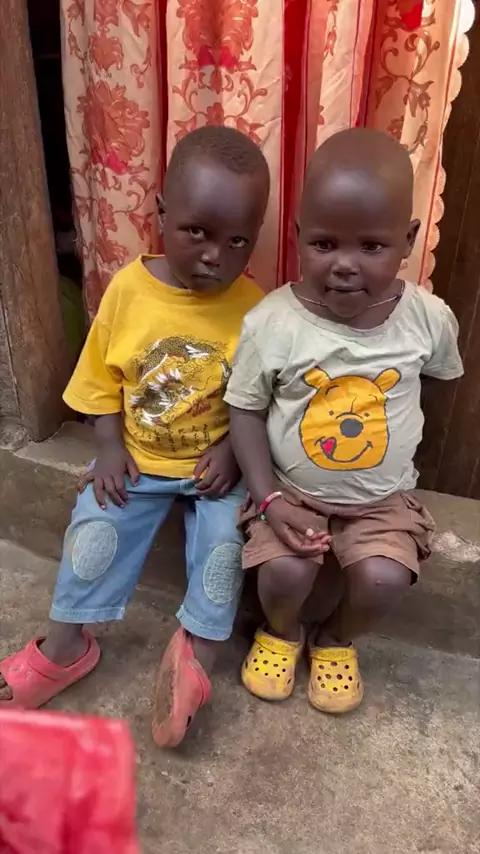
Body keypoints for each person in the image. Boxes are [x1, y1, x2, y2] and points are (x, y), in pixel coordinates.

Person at [0, 126, 270, 746]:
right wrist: (109, 448)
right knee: (93, 532)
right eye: (197, 232)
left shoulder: (256, 309)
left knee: (224, 549)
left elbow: (258, 400)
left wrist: (232, 450)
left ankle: (194, 659)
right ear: (162, 213)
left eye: (237, 241)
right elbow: (102, 379)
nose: (215, 256)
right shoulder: (128, 291)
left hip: (215, 471)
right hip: (139, 463)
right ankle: (66, 647)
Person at [225, 128, 463, 714]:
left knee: (384, 579)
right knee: (284, 574)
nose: (345, 266)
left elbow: (431, 386)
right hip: (290, 493)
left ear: (408, 240)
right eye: (325, 244)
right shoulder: (273, 323)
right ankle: (282, 631)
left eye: (372, 246)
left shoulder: (428, 320)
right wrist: (267, 498)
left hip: (382, 500)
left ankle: (334, 640)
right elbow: (246, 409)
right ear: (297, 236)